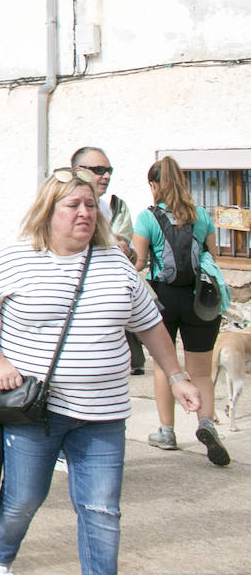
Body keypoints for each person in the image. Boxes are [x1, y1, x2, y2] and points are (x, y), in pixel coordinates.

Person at [0, 167, 200, 575]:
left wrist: (176, 376)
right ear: (48, 211)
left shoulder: (116, 265)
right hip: (34, 410)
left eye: (90, 205)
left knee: (102, 510)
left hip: (103, 414)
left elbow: (149, 324)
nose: (84, 213)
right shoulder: (15, 258)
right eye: (73, 205)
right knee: (23, 500)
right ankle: (0, 560)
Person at [131, 156, 228, 465]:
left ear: (154, 185)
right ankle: (206, 423)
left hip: (164, 296)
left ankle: (166, 431)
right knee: (200, 370)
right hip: (201, 297)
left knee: (164, 365)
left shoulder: (147, 218)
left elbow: (139, 263)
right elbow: (212, 254)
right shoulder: (202, 216)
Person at [70, 146, 143, 374]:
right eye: (99, 170)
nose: (107, 176)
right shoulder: (57, 206)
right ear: (79, 170)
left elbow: (133, 257)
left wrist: (126, 252)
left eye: (109, 170)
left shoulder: (110, 207)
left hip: (105, 313)